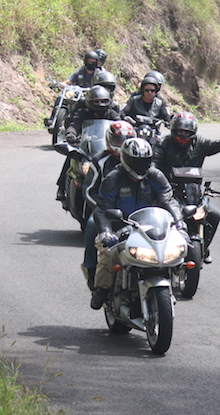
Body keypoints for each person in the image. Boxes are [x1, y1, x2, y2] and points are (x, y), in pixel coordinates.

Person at [89, 137, 186, 310]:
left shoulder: (155, 176)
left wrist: (180, 225)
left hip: (151, 227)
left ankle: (175, 281)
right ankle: (102, 289)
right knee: (108, 253)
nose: (140, 165)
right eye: (136, 161)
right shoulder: (113, 179)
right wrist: (105, 231)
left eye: (144, 161)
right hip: (120, 229)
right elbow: (102, 208)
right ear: (125, 159)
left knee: (177, 249)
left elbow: (169, 200)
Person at [153, 109, 220, 262]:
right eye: (179, 131)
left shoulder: (199, 143)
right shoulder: (163, 144)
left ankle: (204, 247)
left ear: (193, 132)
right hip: (168, 192)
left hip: (194, 194)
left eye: (186, 132)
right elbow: (154, 166)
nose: (182, 135)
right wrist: (159, 181)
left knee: (214, 214)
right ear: (173, 130)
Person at [80, 120, 138, 291]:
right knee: (91, 224)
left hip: (133, 210)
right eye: (118, 140)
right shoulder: (100, 160)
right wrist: (100, 210)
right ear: (110, 140)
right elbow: (89, 190)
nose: (121, 145)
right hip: (105, 210)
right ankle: (91, 269)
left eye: (125, 140)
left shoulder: (138, 159)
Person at [56, 85, 121, 203]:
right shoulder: (82, 112)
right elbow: (74, 124)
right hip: (87, 145)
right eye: (96, 101)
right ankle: (61, 187)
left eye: (103, 101)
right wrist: (71, 134)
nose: (100, 104)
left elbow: (119, 123)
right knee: (71, 156)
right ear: (89, 102)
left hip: (106, 146)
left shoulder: (111, 113)